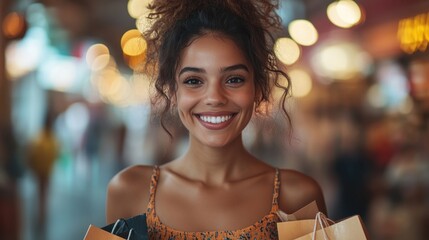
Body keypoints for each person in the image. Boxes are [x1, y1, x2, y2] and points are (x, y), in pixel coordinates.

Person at [106, 0, 327, 239]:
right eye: (193, 80)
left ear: (259, 88)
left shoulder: (296, 196)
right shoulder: (129, 190)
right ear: (172, 91)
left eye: (234, 79)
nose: (214, 98)